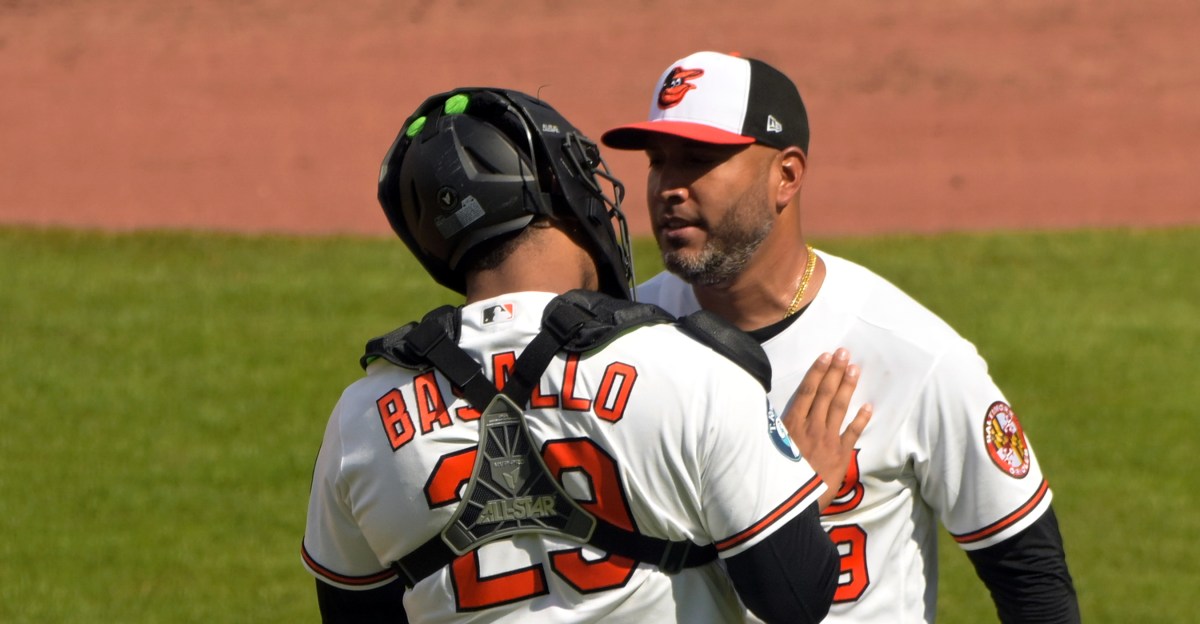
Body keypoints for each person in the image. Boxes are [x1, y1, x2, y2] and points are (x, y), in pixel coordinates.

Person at [301, 87, 871, 623]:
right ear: (559, 194)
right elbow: (795, 596)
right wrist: (800, 487)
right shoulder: (694, 372)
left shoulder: (362, 416)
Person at [602, 50, 1080, 623]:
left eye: (698, 160)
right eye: (659, 161)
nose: (668, 188)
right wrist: (784, 493)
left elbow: (1033, 582)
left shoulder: (915, 356)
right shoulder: (620, 337)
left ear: (787, 175)